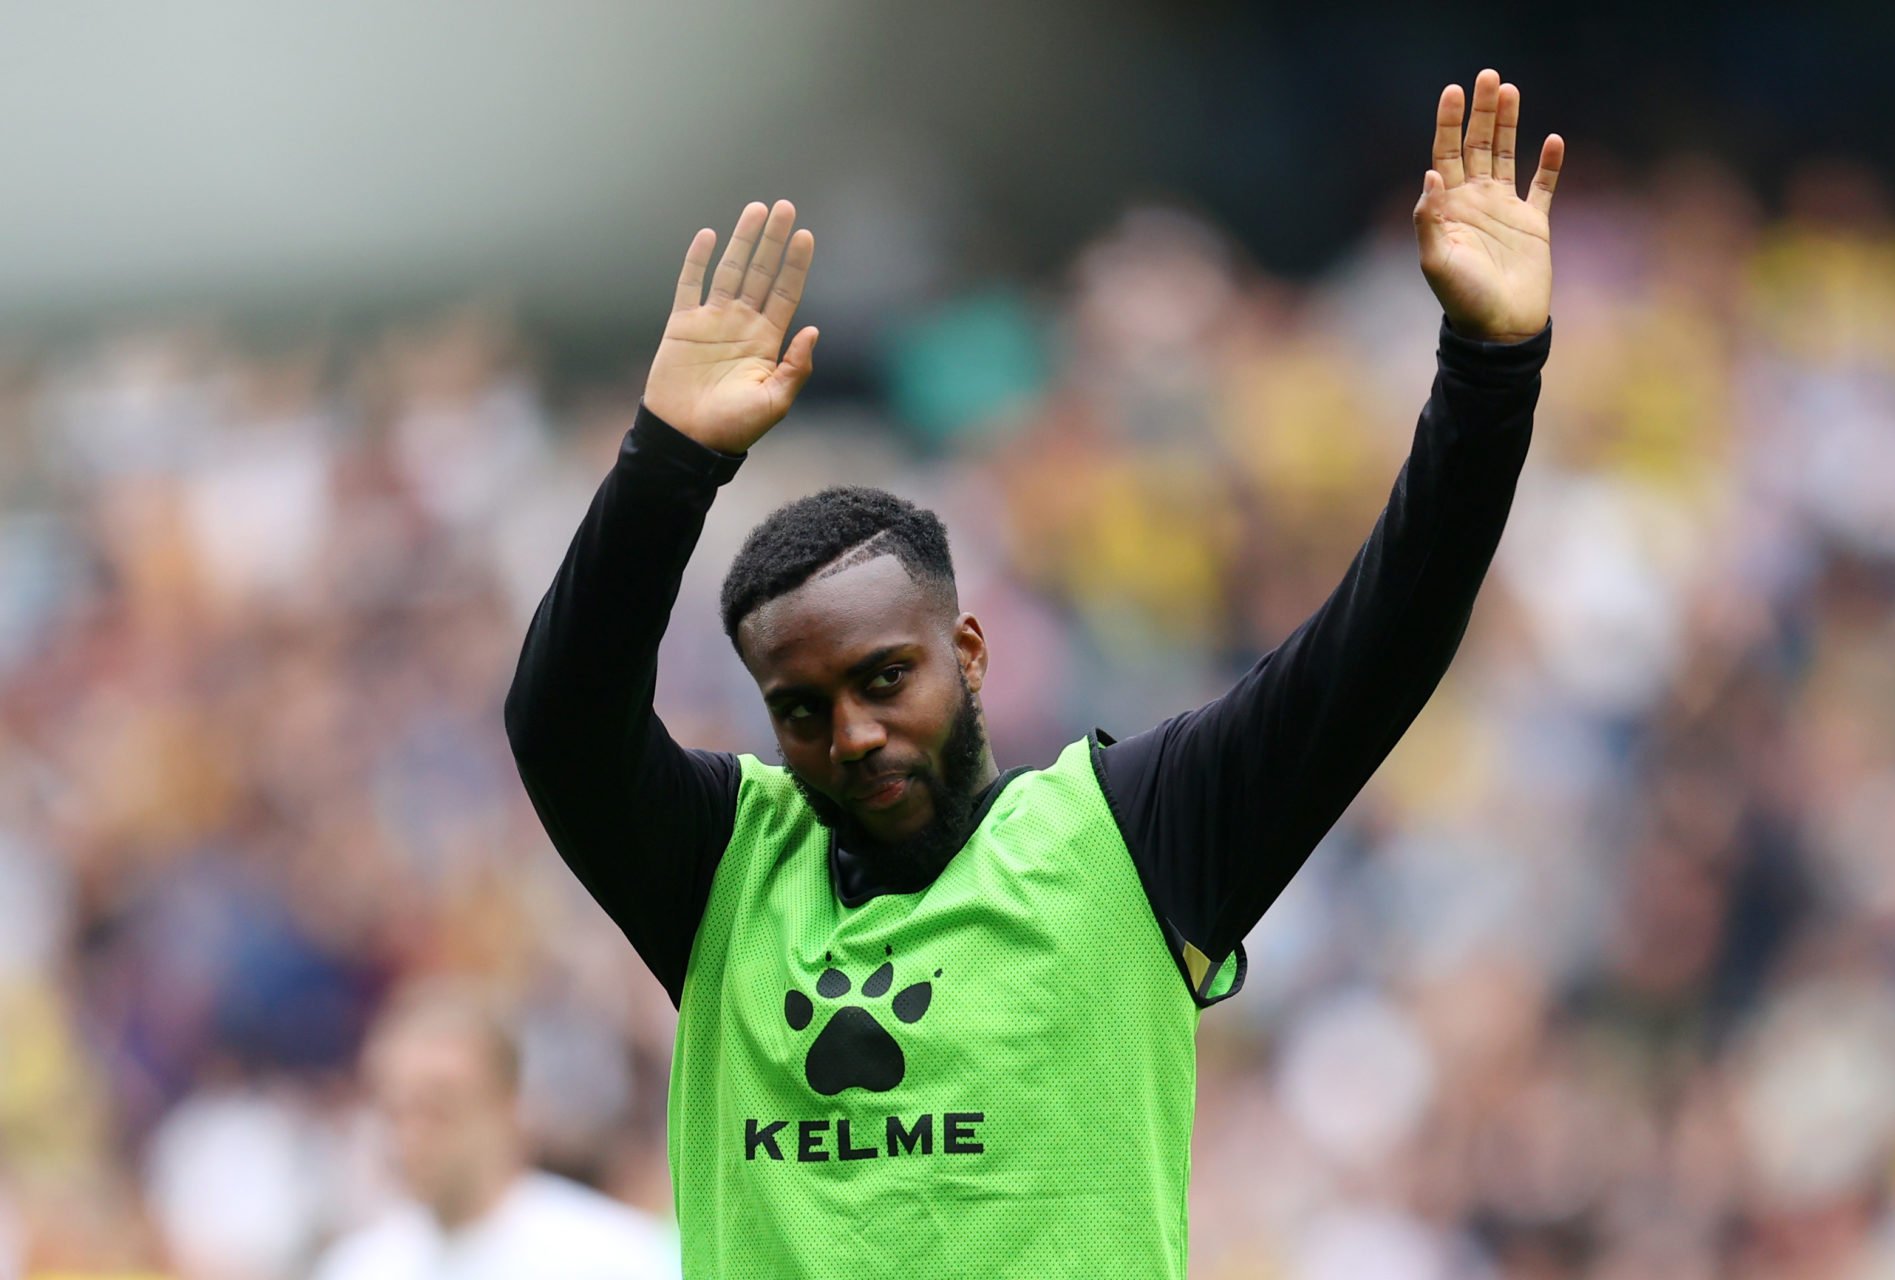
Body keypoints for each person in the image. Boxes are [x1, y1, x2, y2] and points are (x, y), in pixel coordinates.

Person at [505, 70, 1563, 1278]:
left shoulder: (1136, 839)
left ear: (967, 651)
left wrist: (1491, 367)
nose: (851, 733)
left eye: (884, 677)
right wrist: (665, 462)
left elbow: (1384, 642)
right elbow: (559, 723)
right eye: (801, 709)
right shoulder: (724, 872)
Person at [310, 984, 677, 1279]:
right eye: (396, 1110)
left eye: (439, 1108)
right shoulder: (358, 1266)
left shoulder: (616, 1258)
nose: (410, 1134)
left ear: (509, 1108)